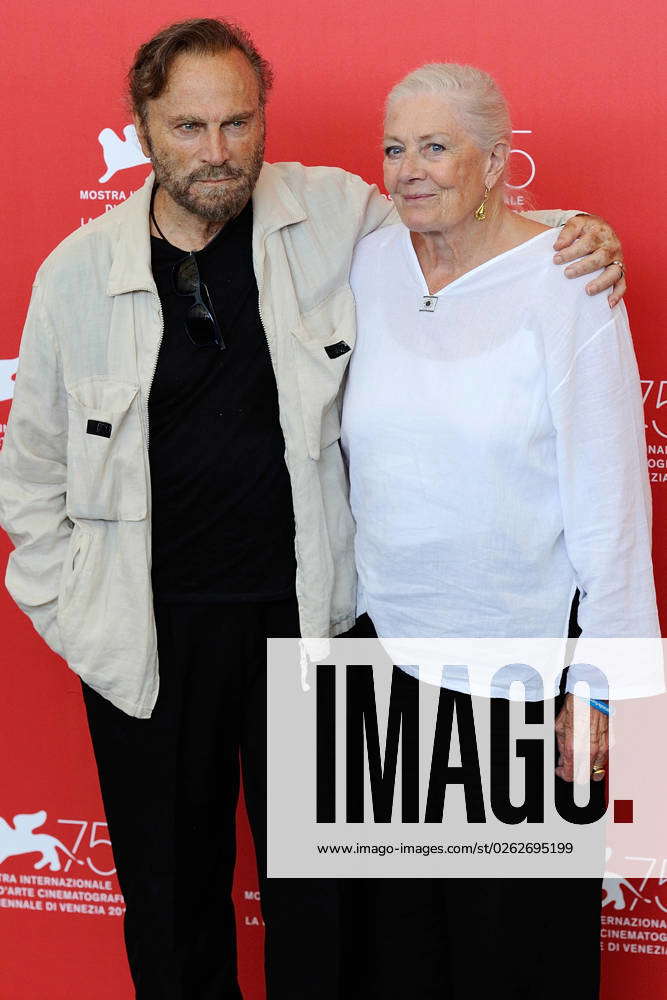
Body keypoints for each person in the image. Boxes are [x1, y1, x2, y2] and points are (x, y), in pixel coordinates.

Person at [0, 19, 626, 1000]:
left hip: (314, 631)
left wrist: (576, 234)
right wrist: (76, 614)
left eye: (238, 122)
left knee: (326, 921)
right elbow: (29, 479)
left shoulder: (338, 216)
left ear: (263, 119)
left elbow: (464, 219)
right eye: (189, 126)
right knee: (172, 912)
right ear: (143, 128)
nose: (216, 151)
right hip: (144, 641)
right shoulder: (75, 277)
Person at [339, 62, 660, 999]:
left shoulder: (567, 280)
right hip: (380, 663)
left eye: (436, 146)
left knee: (518, 958)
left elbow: (611, 503)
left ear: (497, 161)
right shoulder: (366, 258)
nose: (409, 169)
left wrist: (598, 692)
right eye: (394, 146)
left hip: (522, 675)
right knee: (396, 958)